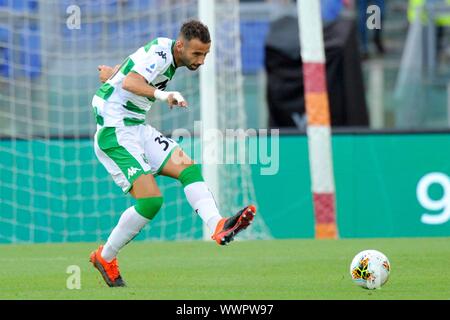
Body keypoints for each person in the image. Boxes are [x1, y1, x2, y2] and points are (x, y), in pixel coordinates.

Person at [89, 20, 256, 287]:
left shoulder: (166, 54)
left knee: (187, 168)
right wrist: (163, 96)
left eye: (204, 54)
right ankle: (105, 256)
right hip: (115, 130)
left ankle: (217, 225)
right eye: (196, 54)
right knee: (151, 202)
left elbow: (129, 72)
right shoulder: (161, 53)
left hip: (136, 126)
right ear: (181, 46)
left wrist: (113, 73)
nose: (200, 61)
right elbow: (132, 82)